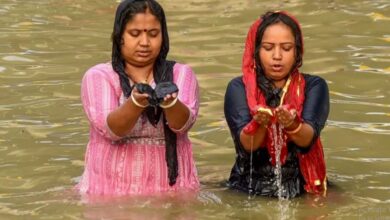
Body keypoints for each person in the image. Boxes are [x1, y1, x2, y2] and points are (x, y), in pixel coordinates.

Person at [77, 0, 199, 196]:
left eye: (153, 34)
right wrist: (134, 103)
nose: (144, 43)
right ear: (119, 37)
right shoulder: (99, 76)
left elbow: (182, 125)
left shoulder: (181, 74)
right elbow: (111, 130)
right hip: (111, 191)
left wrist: (171, 103)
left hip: (172, 190)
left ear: (164, 36)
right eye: (134, 34)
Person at [224, 11, 329, 198]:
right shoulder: (239, 88)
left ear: (298, 51)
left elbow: (307, 139)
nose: (277, 56)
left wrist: (292, 124)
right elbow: (248, 145)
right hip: (247, 189)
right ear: (256, 51)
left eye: (286, 48)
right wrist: (260, 123)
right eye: (268, 47)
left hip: (302, 187)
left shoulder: (314, 86)